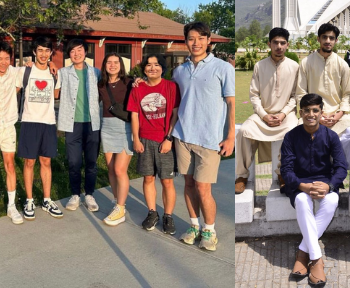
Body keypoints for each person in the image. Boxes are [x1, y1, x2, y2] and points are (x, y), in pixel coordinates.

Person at [171, 22, 236, 251]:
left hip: (209, 139)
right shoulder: (179, 71)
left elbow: (231, 102)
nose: (195, 42)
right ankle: (194, 225)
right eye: (191, 38)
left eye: (200, 38)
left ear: (209, 40)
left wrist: (230, 136)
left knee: (203, 187)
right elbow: (172, 99)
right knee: (188, 184)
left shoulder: (223, 68)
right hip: (183, 136)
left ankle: (209, 230)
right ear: (186, 41)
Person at [281, 94, 348, 286]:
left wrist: (329, 185)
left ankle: (303, 252)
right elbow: (286, 170)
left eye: (315, 110)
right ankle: (317, 260)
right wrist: (302, 186)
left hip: (324, 183)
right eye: (307, 110)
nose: (311, 114)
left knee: (333, 200)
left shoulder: (331, 136)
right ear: (301, 113)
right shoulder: (291, 137)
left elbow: (341, 167)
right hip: (300, 184)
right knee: (302, 200)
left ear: (321, 112)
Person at [117, 55, 182, 234]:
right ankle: (152, 212)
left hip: (165, 141)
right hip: (145, 139)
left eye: (156, 65)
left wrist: (169, 139)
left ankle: (168, 215)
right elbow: (135, 115)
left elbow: (175, 114)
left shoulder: (171, 87)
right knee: (148, 178)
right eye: (148, 65)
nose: (152, 68)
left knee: (167, 181)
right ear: (143, 69)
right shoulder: (137, 88)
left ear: (162, 68)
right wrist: (136, 139)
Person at [236, 27, 299, 195]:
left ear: (287, 45)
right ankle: (241, 176)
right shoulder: (259, 66)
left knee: (293, 131)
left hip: (286, 116)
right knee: (244, 131)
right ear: (269, 44)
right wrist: (264, 115)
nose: (279, 46)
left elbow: (295, 96)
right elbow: (254, 95)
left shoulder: (294, 67)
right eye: (275, 42)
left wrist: (283, 114)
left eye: (282, 43)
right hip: (262, 115)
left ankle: (283, 174)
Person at [293, 23, 350, 179]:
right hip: (312, 114)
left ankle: (341, 173)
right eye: (325, 37)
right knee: (300, 135)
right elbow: (301, 93)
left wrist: (338, 114)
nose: (328, 41)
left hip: (337, 115)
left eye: (331, 38)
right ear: (318, 39)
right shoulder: (306, 63)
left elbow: (348, 94)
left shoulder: (342, 64)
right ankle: (307, 175)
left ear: (335, 41)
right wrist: (317, 115)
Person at [16, 36, 63, 219]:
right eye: (40, 50)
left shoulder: (54, 73)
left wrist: (53, 65)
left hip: (49, 122)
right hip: (29, 121)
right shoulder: (24, 71)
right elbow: (13, 89)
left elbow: (56, 95)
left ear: (51, 53)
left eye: (47, 51)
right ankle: (29, 200)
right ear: (34, 52)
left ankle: (46, 199)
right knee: (29, 162)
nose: (43, 54)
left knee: (46, 162)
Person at [56, 38, 103, 213]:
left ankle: (89, 194)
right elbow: (48, 80)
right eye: (72, 51)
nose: (77, 54)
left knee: (91, 161)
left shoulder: (96, 73)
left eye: (79, 49)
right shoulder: (63, 73)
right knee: (74, 161)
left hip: (92, 123)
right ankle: (75, 194)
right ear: (69, 55)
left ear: (85, 51)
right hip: (72, 123)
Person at [0, 41, 25, 225]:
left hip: (9, 125)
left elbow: (38, 68)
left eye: (6, 58)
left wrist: (53, 64)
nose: (3, 62)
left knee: (10, 165)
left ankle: (11, 205)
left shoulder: (16, 72)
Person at [99, 52, 137, 227]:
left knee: (120, 169)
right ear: (105, 65)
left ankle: (121, 208)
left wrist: (141, 81)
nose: (112, 65)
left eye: (116, 62)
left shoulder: (129, 82)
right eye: (109, 62)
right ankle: (117, 202)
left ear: (121, 65)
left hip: (124, 128)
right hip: (107, 127)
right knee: (111, 169)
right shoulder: (101, 83)